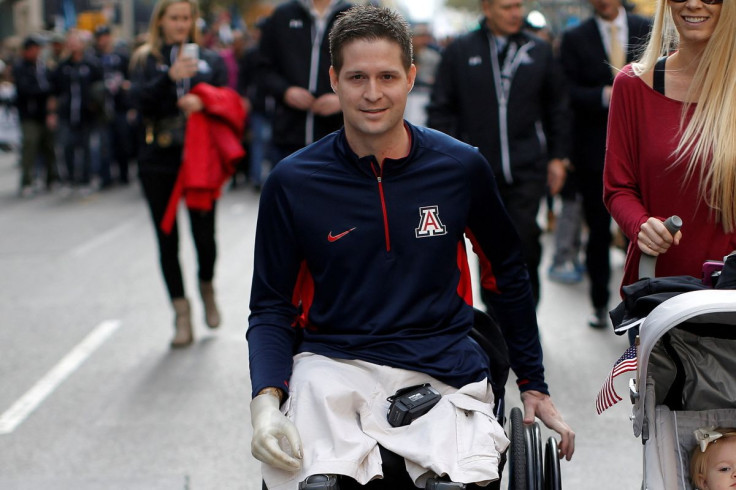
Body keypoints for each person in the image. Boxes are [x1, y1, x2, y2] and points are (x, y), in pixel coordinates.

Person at [248, 6, 575, 490]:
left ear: (411, 77)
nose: (373, 93)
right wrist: (265, 405)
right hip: (332, 363)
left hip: (441, 362)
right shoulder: (293, 181)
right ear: (334, 79)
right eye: (357, 77)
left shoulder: (460, 168)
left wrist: (534, 384)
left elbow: (505, 272)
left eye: (387, 76)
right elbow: (271, 307)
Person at [427, 0, 570, 308]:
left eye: (518, 6)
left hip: (528, 169)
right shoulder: (460, 51)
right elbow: (441, 110)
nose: (515, 13)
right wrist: (449, 163)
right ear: (487, 8)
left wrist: (558, 157)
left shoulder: (539, 50)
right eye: (507, 6)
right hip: (479, 172)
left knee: (524, 242)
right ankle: (498, 326)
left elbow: (557, 108)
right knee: (490, 250)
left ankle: (526, 319)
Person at [603, 0, 735, 291]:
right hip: (658, 292)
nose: (693, 2)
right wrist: (642, 225)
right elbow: (617, 188)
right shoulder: (633, 85)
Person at [129, 0, 229, 348]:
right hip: (159, 155)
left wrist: (204, 100)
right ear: (161, 21)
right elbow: (136, 101)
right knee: (166, 237)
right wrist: (167, 78)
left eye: (186, 17)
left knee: (205, 234)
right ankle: (181, 314)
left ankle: (207, 286)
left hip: (200, 155)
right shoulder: (145, 59)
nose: (181, 24)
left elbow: (227, 97)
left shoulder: (210, 59)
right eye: (174, 17)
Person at [558, 0, 650, 327]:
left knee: (639, 234)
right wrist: (603, 95)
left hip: (644, 151)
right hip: (594, 151)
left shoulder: (646, 28)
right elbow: (564, 92)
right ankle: (599, 305)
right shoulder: (575, 38)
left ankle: (640, 307)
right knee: (597, 232)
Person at [255, 0, 352, 163]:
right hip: (288, 137)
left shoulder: (353, 16)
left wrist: (343, 100)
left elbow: (366, 72)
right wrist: (285, 91)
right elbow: (262, 68)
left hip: (339, 140)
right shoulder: (283, 15)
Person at [51, 29, 103, 192]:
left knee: (87, 147)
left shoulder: (92, 64)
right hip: (67, 114)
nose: (73, 45)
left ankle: (86, 179)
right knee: (67, 147)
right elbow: (55, 91)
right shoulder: (63, 66)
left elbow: (100, 88)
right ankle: (70, 179)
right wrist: (52, 113)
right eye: (70, 42)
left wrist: (97, 105)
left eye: (76, 42)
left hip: (87, 114)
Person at [13, 35, 59, 196]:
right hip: (29, 116)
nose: (37, 52)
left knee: (49, 147)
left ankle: (52, 179)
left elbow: (53, 85)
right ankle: (27, 181)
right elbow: (26, 90)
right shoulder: (20, 68)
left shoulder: (43, 67)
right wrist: (45, 91)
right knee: (30, 147)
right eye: (34, 49)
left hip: (44, 114)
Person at [92, 25, 132, 187]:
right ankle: (106, 177)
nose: (103, 41)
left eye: (105, 37)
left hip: (120, 106)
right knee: (104, 145)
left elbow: (130, 78)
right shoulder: (94, 59)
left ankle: (124, 174)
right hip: (103, 108)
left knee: (122, 141)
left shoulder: (121, 57)